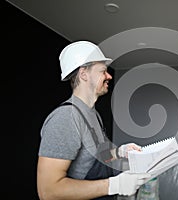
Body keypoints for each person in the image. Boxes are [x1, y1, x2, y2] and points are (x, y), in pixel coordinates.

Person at [37, 40, 151, 200]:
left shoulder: (93, 114)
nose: (109, 76)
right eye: (103, 71)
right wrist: (114, 185)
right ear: (84, 74)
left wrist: (119, 152)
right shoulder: (66, 118)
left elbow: (95, 155)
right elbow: (48, 191)